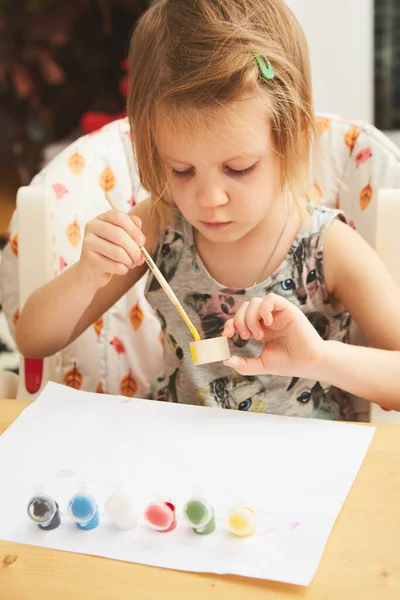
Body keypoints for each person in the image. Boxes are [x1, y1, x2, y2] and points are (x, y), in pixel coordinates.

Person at [15, 0, 400, 419]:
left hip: (301, 468)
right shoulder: (160, 224)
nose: (209, 198)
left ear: (294, 137)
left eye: (238, 169)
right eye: (182, 171)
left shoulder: (327, 248)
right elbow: (34, 341)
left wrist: (322, 358)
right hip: (176, 458)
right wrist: (86, 275)